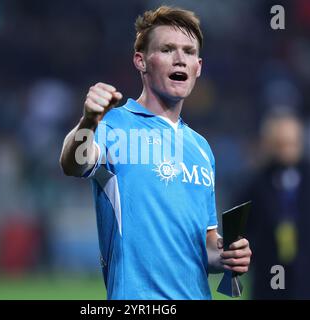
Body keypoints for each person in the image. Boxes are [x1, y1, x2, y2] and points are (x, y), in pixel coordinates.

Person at [59, 6, 251, 299]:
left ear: (198, 67)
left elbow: (208, 246)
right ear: (141, 61)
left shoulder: (201, 149)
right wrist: (88, 121)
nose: (180, 59)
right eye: (167, 49)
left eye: (188, 52)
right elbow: (73, 164)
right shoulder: (113, 124)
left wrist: (228, 255)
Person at [240, 110, 310, 299]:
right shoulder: (256, 184)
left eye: (292, 143)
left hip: (306, 277)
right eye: (281, 144)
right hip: (268, 274)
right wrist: (258, 256)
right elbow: (241, 226)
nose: (287, 150)